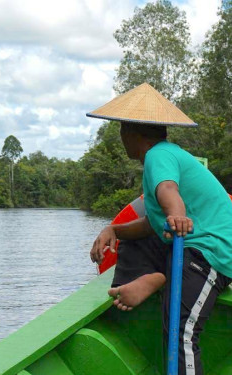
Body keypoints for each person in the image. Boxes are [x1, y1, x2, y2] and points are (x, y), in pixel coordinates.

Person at [86, 83, 232, 375]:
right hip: (189, 246)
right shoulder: (163, 156)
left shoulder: (158, 155)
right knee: (131, 239)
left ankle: (157, 276)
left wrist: (176, 215)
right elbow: (150, 225)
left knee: (182, 333)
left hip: (210, 251)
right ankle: (154, 277)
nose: (121, 139)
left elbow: (168, 190)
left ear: (132, 134)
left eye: (121, 133)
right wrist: (113, 230)